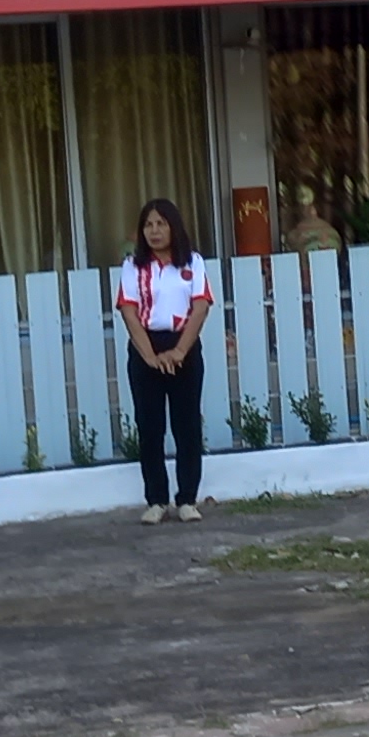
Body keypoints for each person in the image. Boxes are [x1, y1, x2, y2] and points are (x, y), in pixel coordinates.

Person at [115, 196, 214, 524]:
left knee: (187, 426)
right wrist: (150, 356)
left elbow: (200, 307)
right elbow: (128, 311)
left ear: (174, 227)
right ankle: (156, 500)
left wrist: (179, 352)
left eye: (161, 224)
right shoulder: (133, 266)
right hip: (146, 348)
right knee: (150, 426)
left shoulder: (192, 262)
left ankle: (187, 499)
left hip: (184, 346)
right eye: (148, 225)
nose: (154, 231)